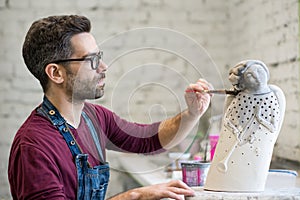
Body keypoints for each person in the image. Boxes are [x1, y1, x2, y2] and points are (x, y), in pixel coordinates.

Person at [8, 15, 212, 200]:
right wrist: (134, 196)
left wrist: (192, 113)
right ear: (56, 73)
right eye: (92, 60)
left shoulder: (94, 117)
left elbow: (148, 140)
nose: (104, 67)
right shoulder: (34, 146)